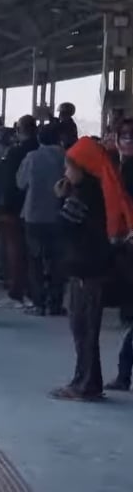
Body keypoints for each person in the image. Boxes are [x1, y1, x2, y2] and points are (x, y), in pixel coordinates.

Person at [50, 136, 133, 401]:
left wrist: (60, 199)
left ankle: (86, 383)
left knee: (83, 330)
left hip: (85, 270)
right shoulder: (98, 190)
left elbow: (62, 229)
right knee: (85, 329)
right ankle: (86, 381)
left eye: (69, 167)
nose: (65, 172)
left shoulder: (83, 196)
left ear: (82, 168)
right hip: (93, 268)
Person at [16, 123, 67, 316]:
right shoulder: (66, 157)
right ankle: (55, 303)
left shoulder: (32, 157)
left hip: (34, 215)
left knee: (35, 260)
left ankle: (39, 303)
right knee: (57, 261)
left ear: (39, 138)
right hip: (58, 214)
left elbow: (20, 183)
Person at [0, 115, 38, 309]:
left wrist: (2, 206)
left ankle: (16, 291)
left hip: (13, 208)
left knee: (14, 250)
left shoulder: (15, 152)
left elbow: (9, 182)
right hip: (37, 209)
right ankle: (34, 292)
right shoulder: (39, 149)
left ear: (19, 130)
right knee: (33, 253)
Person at [105, 119, 133, 391]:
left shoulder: (125, 171)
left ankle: (124, 374)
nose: (126, 141)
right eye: (123, 136)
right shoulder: (119, 168)